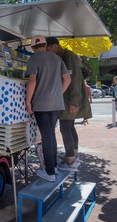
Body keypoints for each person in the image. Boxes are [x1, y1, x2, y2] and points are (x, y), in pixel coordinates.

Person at [26, 35, 71, 182]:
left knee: (46, 137)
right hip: (56, 104)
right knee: (51, 134)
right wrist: (59, 93)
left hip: (41, 104)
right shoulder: (57, 58)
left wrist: (28, 102)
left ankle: (50, 172)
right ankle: (55, 167)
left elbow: (32, 81)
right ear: (45, 45)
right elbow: (68, 79)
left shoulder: (33, 59)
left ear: (33, 48)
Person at [46, 37, 92, 172]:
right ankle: (74, 153)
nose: (49, 52)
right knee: (70, 127)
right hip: (67, 99)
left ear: (55, 46)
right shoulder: (65, 56)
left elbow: (75, 79)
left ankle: (70, 158)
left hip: (68, 100)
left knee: (65, 128)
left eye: (49, 49)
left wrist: (74, 101)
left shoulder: (68, 56)